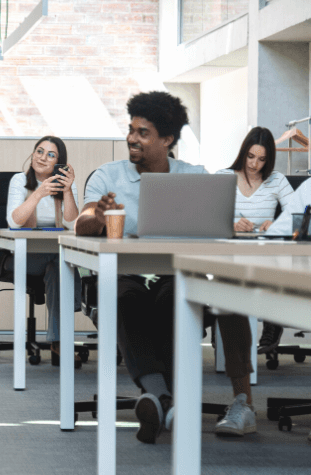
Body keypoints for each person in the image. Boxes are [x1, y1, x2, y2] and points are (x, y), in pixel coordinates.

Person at [75, 91, 256, 443]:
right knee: (124, 300)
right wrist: (96, 214)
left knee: (178, 300)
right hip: (126, 275)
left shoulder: (196, 176)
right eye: (131, 130)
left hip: (176, 276)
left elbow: (218, 228)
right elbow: (81, 224)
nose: (132, 138)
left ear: (167, 140)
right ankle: (165, 401)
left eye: (143, 132)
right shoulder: (107, 177)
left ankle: (162, 401)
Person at [216, 126, 295, 355]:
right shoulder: (224, 177)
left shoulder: (276, 181)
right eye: (250, 156)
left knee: (275, 271)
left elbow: (297, 214)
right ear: (243, 153)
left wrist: (277, 224)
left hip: (264, 251)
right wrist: (230, 224)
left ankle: (272, 325)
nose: (254, 164)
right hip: (230, 250)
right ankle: (222, 326)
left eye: (261, 159)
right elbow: (208, 218)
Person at [5, 136, 80, 366]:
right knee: (64, 262)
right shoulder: (19, 181)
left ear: (60, 162)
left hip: (53, 257)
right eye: (39, 151)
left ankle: (58, 342)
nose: (42, 157)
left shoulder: (66, 185)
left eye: (51, 154)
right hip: (22, 255)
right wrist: (38, 193)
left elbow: (72, 224)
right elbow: (14, 221)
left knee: (59, 267)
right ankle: (82, 304)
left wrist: (67, 191)